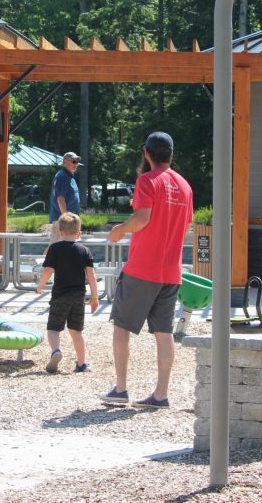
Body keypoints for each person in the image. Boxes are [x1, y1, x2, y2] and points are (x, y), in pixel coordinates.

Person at [100, 132, 193, 409]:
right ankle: (160, 395)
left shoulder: (146, 181)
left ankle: (120, 389)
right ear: (171, 154)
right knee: (164, 334)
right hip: (171, 271)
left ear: (146, 153)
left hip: (142, 269)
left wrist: (120, 230)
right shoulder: (185, 186)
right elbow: (185, 225)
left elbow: (142, 218)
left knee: (121, 328)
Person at [36, 213, 99, 374]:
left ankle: (56, 350)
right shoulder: (84, 250)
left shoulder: (55, 248)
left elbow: (48, 271)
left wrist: (40, 285)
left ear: (61, 231)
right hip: (78, 296)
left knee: (53, 328)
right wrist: (94, 297)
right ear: (79, 232)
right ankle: (82, 363)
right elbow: (91, 275)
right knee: (76, 331)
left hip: (60, 295)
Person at [48, 152, 82, 244]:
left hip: (69, 221)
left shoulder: (69, 177)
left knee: (67, 250)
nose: (76, 164)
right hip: (63, 221)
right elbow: (60, 199)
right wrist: (66, 219)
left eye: (77, 161)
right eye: (74, 161)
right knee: (54, 248)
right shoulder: (62, 176)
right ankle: (45, 259)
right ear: (65, 162)